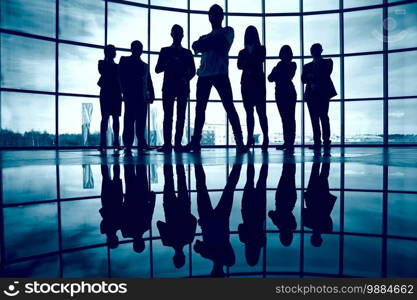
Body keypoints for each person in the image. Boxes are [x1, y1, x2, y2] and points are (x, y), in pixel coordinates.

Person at [184, 4, 246, 153]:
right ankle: (196, 142)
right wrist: (206, 44)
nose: (214, 16)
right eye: (212, 14)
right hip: (207, 75)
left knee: (228, 106)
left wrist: (204, 44)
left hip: (218, 74)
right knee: (201, 109)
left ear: (221, 16)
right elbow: (197, 46)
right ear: (210, 17)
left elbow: (214, 44)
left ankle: (239, 141)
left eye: (216, 14)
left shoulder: (227, 31)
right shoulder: (211, 36)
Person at [193, 160, 242, 277]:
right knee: (201, 186)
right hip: (208, 221)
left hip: (221, 221)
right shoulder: (207, 254)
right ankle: (197, 162)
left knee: (230, 187)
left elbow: (198, 246)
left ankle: (238, 163)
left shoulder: (228, 260)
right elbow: (197, 245)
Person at [155, 25, 196, 153]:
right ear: (172, 34)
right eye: (176, 33)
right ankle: (172, 144)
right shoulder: (169, 51)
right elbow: (157, 69)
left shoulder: (183, 52)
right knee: (172, 116)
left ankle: (173, 144)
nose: (177, 35)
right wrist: (167, 64)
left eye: (179, 33)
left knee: (178, 116)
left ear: (181, 35)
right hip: (173, 87)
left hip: (177, 87)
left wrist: (185, 78)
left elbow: (193, 71)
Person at [157, 164, 197, 268]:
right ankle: (168, 157)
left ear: (184, 256)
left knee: (181, 179)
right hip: (170, 208)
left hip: (184, 207)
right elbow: (159, 223)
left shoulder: (189, 239)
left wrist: (185, 215)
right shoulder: (167, 241)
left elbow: (193, 220)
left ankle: (179, 159)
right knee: (168, 180)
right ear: (174, 257)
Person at [119, 40, 155, 155]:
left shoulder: (129, 62)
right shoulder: (139, 64)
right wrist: (123, 91)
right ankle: (133, 143)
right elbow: (120, 77)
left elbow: (148, 80)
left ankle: (133, 143)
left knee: (136, 120)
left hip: (138, 96)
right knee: (134, 120)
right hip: (134, 95)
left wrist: (151, 94)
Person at [237, 26, 269, 151]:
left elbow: (245, 64)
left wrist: (247, 63)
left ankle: (264, 138)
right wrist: (251, 62)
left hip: (255, 85)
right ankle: (252, 138)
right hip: (249, 85)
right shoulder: (252, 51)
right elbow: (240, 65)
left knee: (260, 113)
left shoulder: (259, 49)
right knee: (250, 113)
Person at [301, 43, 337, 150]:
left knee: (321, 117)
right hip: (316, 94)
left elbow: (324, 74)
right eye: (313, 50)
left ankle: (322, 141)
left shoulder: (325, 63)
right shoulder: (325, 63)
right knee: (318, 118)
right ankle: (322, 141)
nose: (314, 52)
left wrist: (311, 76)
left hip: (318, 94)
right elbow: (304, 80)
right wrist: (315, 77)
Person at [238, 154, 268, 266]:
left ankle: (265, 161)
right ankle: (251, 160)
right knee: (249, 181)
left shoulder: (261, 242)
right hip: (247, 210)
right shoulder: (244, 239)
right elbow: (241, 226)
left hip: (259, 210)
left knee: (261, 181)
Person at [268, 45, 297, 151]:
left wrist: (277, 71)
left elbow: (272, 77)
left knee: (287, 118)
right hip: (286, 91)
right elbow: (270, 78)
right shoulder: (290, 65)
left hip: (282, 92)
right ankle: (289, 142)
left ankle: (289, 142)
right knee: (287, 118)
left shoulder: (282, 65)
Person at [121, 164, 156, 253]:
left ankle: (139, 151)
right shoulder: (126, 231)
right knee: (129, 171)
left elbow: (150, 210)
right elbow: (122, 213)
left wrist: (152, 198)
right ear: (134, 243)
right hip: (130, 196)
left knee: (141, 170)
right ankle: (128, 152)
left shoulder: (146, 226)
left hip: (142, 195)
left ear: (143, 242)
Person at [302, 160, 337, 247]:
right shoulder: (307, 223)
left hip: (323, 198)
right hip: (312, 197)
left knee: (324, 174)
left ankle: (326, 154)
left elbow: (328, 217)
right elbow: (304, 211)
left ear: (320, 238)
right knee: (315, 172)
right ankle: (319, 152)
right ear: (312, 237)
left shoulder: (327, 227)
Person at [97, 45, 122, 152]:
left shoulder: (113, 66)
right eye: (114, 51)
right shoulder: (103, 64)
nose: (115, 53)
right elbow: (104, 72)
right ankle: (106, 143)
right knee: (106, 117)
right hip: (110, 93)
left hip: (111, 93)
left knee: (113, 118)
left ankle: (111, 142)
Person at [268, 161, 297, 247]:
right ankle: (288, 158)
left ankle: (291, 159)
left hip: (290, 201)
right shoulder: (278, 223)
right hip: (280, 200)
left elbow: (291, 216)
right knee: (284, 176)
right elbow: (270, 213)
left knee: (291, 177)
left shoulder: (293, 226)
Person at [99, 164, 123, 249]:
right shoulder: (103, 229)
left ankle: (116, 159)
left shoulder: (119, 225)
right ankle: (104, 160)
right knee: (105, 177)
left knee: (116, 176)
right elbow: (103, 219)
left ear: (116, 239)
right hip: (106, 202)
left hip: (117, 201)